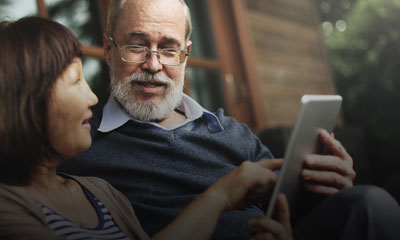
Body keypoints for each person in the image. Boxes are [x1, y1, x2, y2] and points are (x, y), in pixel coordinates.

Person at [58, 0, 400, 239]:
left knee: (369, 203)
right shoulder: (82, 146)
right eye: (136, 46)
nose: (153, 64)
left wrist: (326, 187)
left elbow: (289, 208)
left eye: (168, 48)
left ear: (186, 54)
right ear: (107, 49)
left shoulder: (230, 131)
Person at [0, 16, 294, 240]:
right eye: (136, 46)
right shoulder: (12, 208)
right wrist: (220, 197)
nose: (92, 97)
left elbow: (294, 197)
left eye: (168, 49)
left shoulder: (99, 192)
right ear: (25, 101)